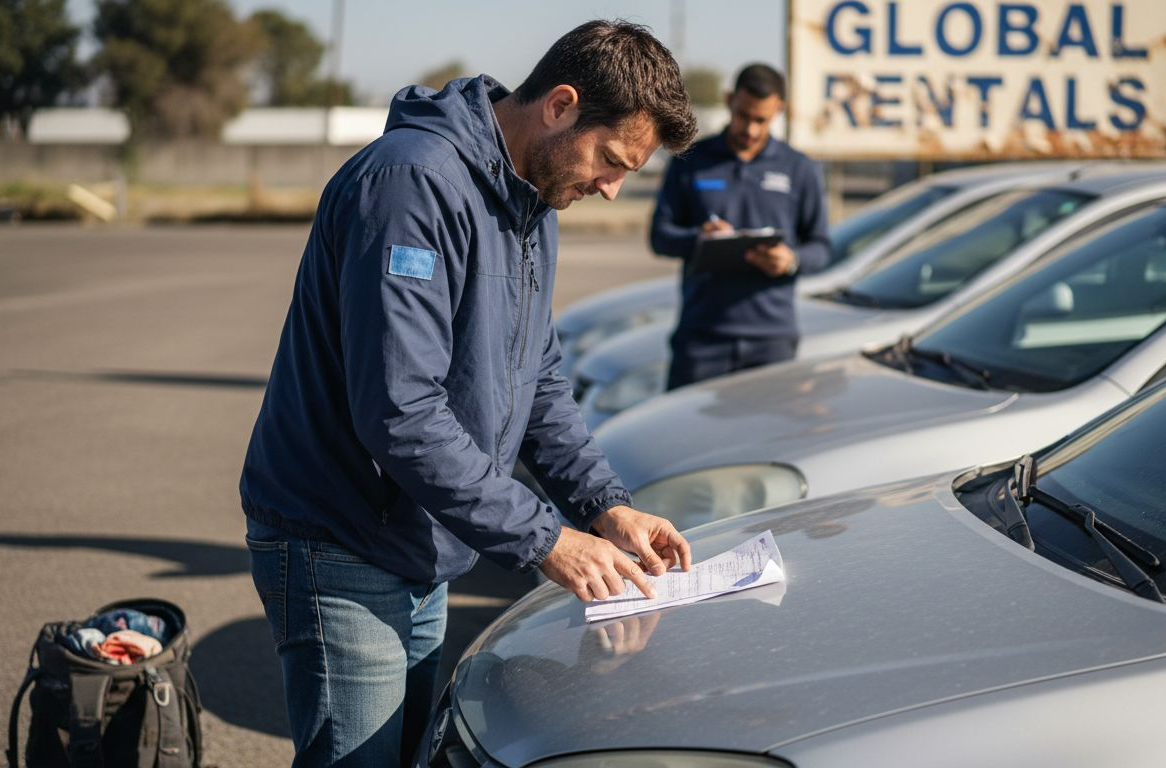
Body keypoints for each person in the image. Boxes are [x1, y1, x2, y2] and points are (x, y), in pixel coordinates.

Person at [238, 21, 697, 768]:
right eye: (611, 159)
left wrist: (606, 507)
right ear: (560, 105)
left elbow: (537, 382)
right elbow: (402, 413)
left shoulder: (530, 202)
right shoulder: (411, 184)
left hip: (422, 537)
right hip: (341, 540)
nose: (613, 186)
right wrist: (546, 539)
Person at [650, 63, 831, 390]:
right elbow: (660, 236)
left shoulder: (801, 169)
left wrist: (791, 260)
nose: (750, 129)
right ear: (730, 100)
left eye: (761, 119)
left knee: (767, 440)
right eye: (743, 115)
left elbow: (821, 246)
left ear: (779, 109)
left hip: (771, 341)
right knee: (686, 439)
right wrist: (698, 239)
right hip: (702, 337)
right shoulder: (691, 160)